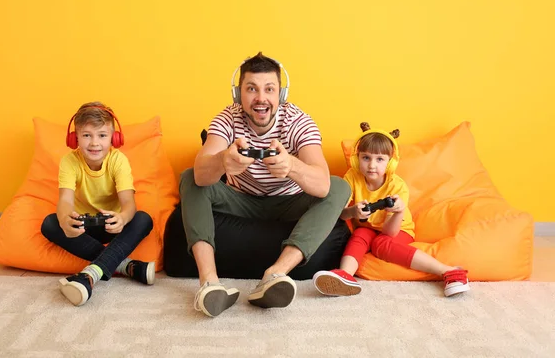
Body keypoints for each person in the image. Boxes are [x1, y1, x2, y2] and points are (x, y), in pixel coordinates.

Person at [180, 52, 351, 317]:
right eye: (251, 89)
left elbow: (323, 185)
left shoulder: (298, 121)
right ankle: (209, 284)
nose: (261, 98)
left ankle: (275, 274)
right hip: (240, 200)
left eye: (269, 89)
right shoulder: (227, 118)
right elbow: (201, 174)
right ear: (238, 95)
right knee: (189, 177)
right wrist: (223, 160)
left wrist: (291, 166)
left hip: (289, 202)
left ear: (281, 95)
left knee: (340, 186)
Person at [313, 122, 471, 297]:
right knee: (359, 235)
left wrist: (398, 211)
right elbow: (341, 215)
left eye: (380, 159)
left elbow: (390, 231)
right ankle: (345, 276)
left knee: (381, 244)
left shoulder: (397, 186)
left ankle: (448, 271)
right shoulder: (352, 177)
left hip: (398, 230)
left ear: (390, 163)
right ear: (357, 159)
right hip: (368, 228)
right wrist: (353, 212)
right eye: (366, 158)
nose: (372, 165)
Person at [41, 102, 155, 306]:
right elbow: (65, 201)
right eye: (86, 135)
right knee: (50, 223)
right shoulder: (69, 161)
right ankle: (126, 266)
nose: (94, 143)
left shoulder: (118, 160)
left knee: (143, 219)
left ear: (114, 138)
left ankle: (89, 276)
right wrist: (66, 219)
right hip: (84, 225)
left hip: (112, 224)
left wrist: (122, 217)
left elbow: (129, 203)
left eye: (102, 135)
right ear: (75, 138)